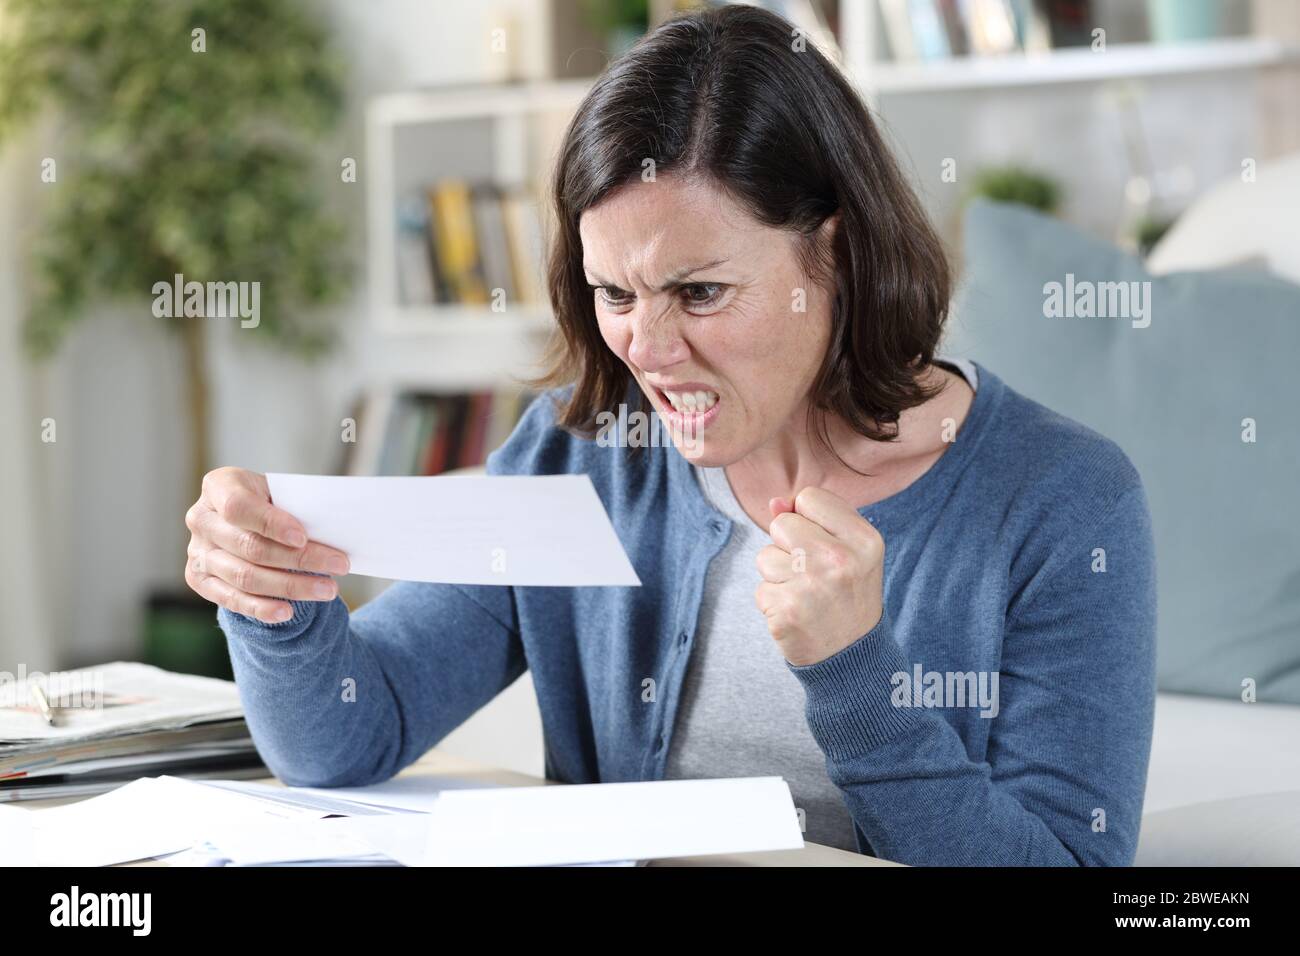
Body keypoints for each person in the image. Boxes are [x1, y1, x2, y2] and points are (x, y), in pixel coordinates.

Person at [186, 5, 1156, 865]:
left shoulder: (1061, 499)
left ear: (837, 251)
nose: (647, 348)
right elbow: (344, 741)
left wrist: (856, 668)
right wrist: (276, 596)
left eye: (699, 291)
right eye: (614, 292)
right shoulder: (582, 455)